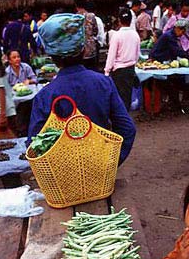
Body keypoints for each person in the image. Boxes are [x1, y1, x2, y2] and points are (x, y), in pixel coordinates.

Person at [30, 13, 136, 164]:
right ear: (84, 50)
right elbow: (127, 128)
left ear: (52, 57)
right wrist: (111, 162)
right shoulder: (104, 84)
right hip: (100, 170)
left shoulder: (46, 95)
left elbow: (33, 147)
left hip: (64, 176)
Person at [104, 8, 140, 110]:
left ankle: (120, 122)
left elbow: (111, 55)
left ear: (119, 20)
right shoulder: (135, 35)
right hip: (130, 70)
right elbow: (137, 54)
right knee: (126, 98)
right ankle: (125, 120)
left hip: (119, 71)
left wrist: (107, 71)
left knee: (118, 99)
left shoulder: (117, 35)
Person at [73, 0, 99, 71]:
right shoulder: (91, 16)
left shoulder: (74, 18)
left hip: (79, 50)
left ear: (76, 5)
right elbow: (95, 31)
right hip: (91, 49)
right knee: (92, 70)